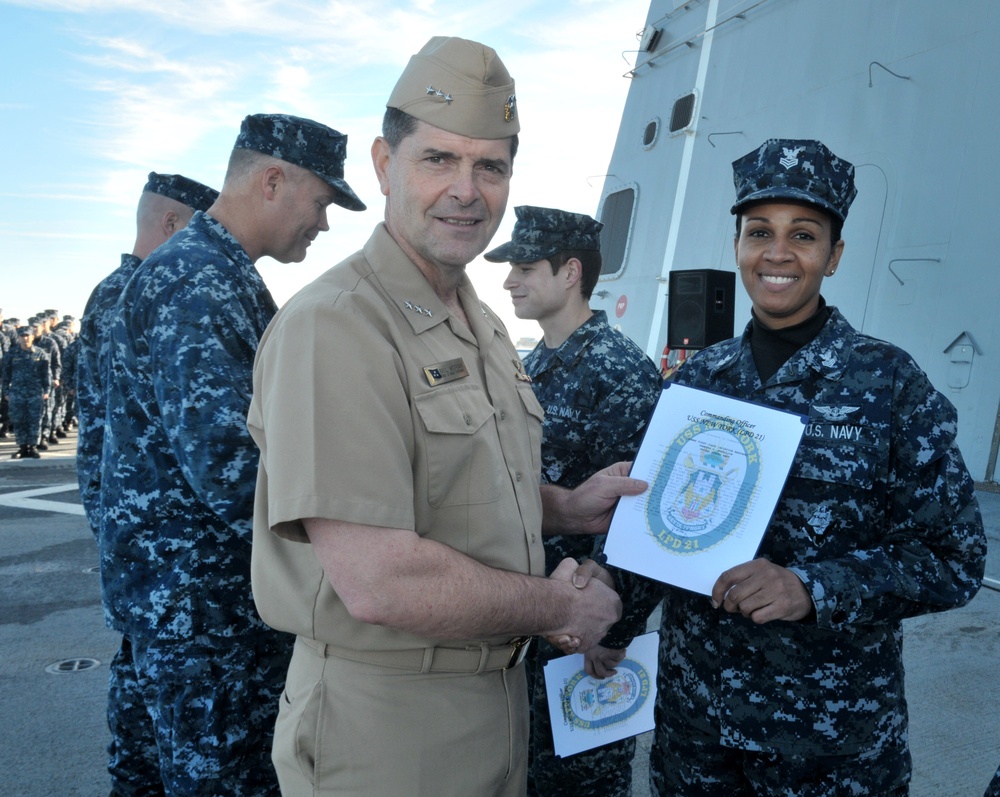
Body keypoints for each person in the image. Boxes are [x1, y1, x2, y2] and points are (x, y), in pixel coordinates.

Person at [248, 36, 645, 796]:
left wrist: (564, 506)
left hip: (491, 707)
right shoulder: (338, 326)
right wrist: (558, 603)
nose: (466, 189)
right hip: (389, 723)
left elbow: (453, 489)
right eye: (438, 159)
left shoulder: (479, 320)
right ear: (384, 163)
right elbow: (382, 580)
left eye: (489, 165)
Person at [599, 139, 987, 796]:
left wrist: (813, 587)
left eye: (803, 234)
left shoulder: (889, 385)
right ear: (738, 246)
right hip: (698, 739)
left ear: (833, 256)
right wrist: (605, 619)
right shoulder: (697, 383)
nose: (777, 252)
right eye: (760, 232)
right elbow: (653, 543)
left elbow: (955, 559)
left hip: (830, 747)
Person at [98, 113, 366, 796]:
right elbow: (231, 472)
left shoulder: (212, 272)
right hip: (205, 623)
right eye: (322, 200)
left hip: (189, 608)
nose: (325, 223)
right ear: (273, 180)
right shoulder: (201, 282)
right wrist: (363, 540)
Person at [485, 205, 662, 796]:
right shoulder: (529, 365)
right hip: (527, 611)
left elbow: (646, 511)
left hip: (586, 627)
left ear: (570, 273)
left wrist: (619, 629)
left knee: (581, 778)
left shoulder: (619, 371)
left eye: (525, 266)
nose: (509, 279)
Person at [76, 171, 218, 797]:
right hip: (162, 547)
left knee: (139, 705)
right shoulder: (143, 291)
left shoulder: (111, 293)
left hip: (135, 541)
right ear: (171, 225)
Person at [1, 325, 50, 459]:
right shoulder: (11, 354)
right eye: (22, 336)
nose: (25, 338)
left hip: (35, 392)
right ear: (18, 338)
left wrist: (47, 390)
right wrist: (5, 392)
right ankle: (22, 447)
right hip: (17, 393)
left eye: (27, 335)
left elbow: (46, 374)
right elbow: (5, 375)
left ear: (33, 337)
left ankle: (33, 446)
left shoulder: (40, 353)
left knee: (35, 420)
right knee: (19, 420)